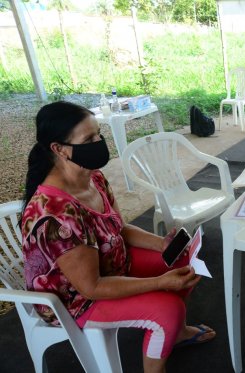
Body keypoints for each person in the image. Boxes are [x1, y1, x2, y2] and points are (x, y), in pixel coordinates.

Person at [20, 101, 216, 373]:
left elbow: (117, 228)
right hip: (75, 301)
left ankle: (177, 333)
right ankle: (166, 338)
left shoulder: (93, 177)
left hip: (109, 263)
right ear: (59, 149)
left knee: (181, 260)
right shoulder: (54, 214)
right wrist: (159, 283)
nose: (99, 142)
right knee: (167, 310)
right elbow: (92, 288)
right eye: (89, 139)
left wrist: (162, 244)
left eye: (98, 134)